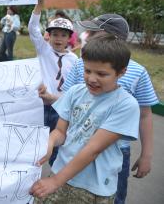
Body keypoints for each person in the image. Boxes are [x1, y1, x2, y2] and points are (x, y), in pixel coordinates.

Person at [30, 33, 140, 203]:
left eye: (102, 74)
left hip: (92, 188)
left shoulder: (126, 105)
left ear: (121, 72)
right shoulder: (75, 92)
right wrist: (50, 142)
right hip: (60, 172)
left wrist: (55, 181)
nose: (92, 78)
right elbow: (60, 131)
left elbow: (93, 149)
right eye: (87, 70)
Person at [61, 14, 158, 204]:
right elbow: (67, 100)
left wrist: (146, 155)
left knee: (113, 197)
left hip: (114, 154)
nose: (87, 36)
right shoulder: (82, 64)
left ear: (113, 38)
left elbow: (145, 115)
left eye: (93, 32)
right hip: (74, 146)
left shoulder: (138, 72)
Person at [28, 0, 78, 165]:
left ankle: (55, 177)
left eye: (63, 35)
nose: (59, 38)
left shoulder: (74, 61)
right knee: (36, 145)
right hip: (40, 107)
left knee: (57, 146)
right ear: (49, 35)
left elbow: (74, 90)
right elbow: (33, 29)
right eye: (55, 34)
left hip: (60, 110)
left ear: (69, 38)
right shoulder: (44, 50)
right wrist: (39, 6)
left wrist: (56, 99)